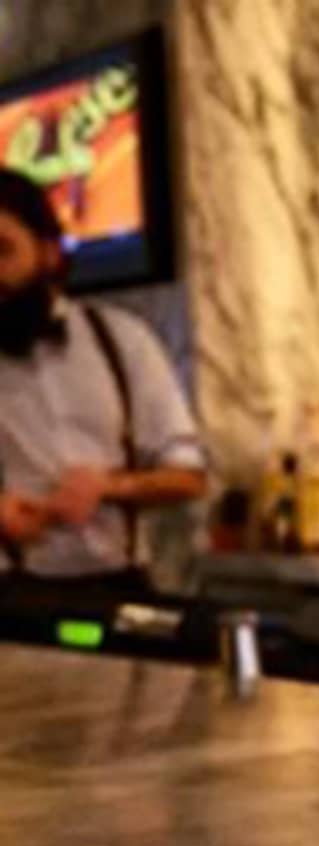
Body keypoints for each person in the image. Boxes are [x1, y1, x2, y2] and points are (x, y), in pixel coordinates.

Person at [0, 167, 208, 601]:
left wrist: (110, 486)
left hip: (120, 589)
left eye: (3, 251)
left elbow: (190, 477)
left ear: (50, 253)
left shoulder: (122, 341)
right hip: (13, 597)